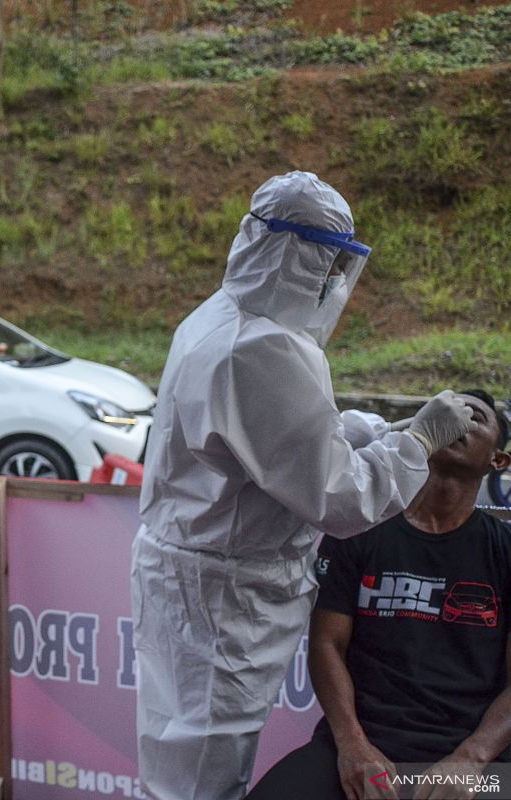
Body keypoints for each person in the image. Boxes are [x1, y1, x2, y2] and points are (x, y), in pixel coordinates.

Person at [130, 171, 479, 800]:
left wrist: (378, 431)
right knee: (201, 776)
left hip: (195, 579)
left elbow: (266, 442)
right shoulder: (261, 347)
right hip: (224, 595)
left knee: (182, 760)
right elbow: (342, 500)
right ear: (300, 259)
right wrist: (418, 442)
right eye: (327, 265)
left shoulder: (220, 317)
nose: (332, 283)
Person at [247, 390, 511, 800]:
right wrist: (352, 746)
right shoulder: (356, 533)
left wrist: (471, 759)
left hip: (478, 763)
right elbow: (328, 643)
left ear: (498, 461)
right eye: (448, 413)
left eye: (476, 418)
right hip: (356, 747)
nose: (459, 421)